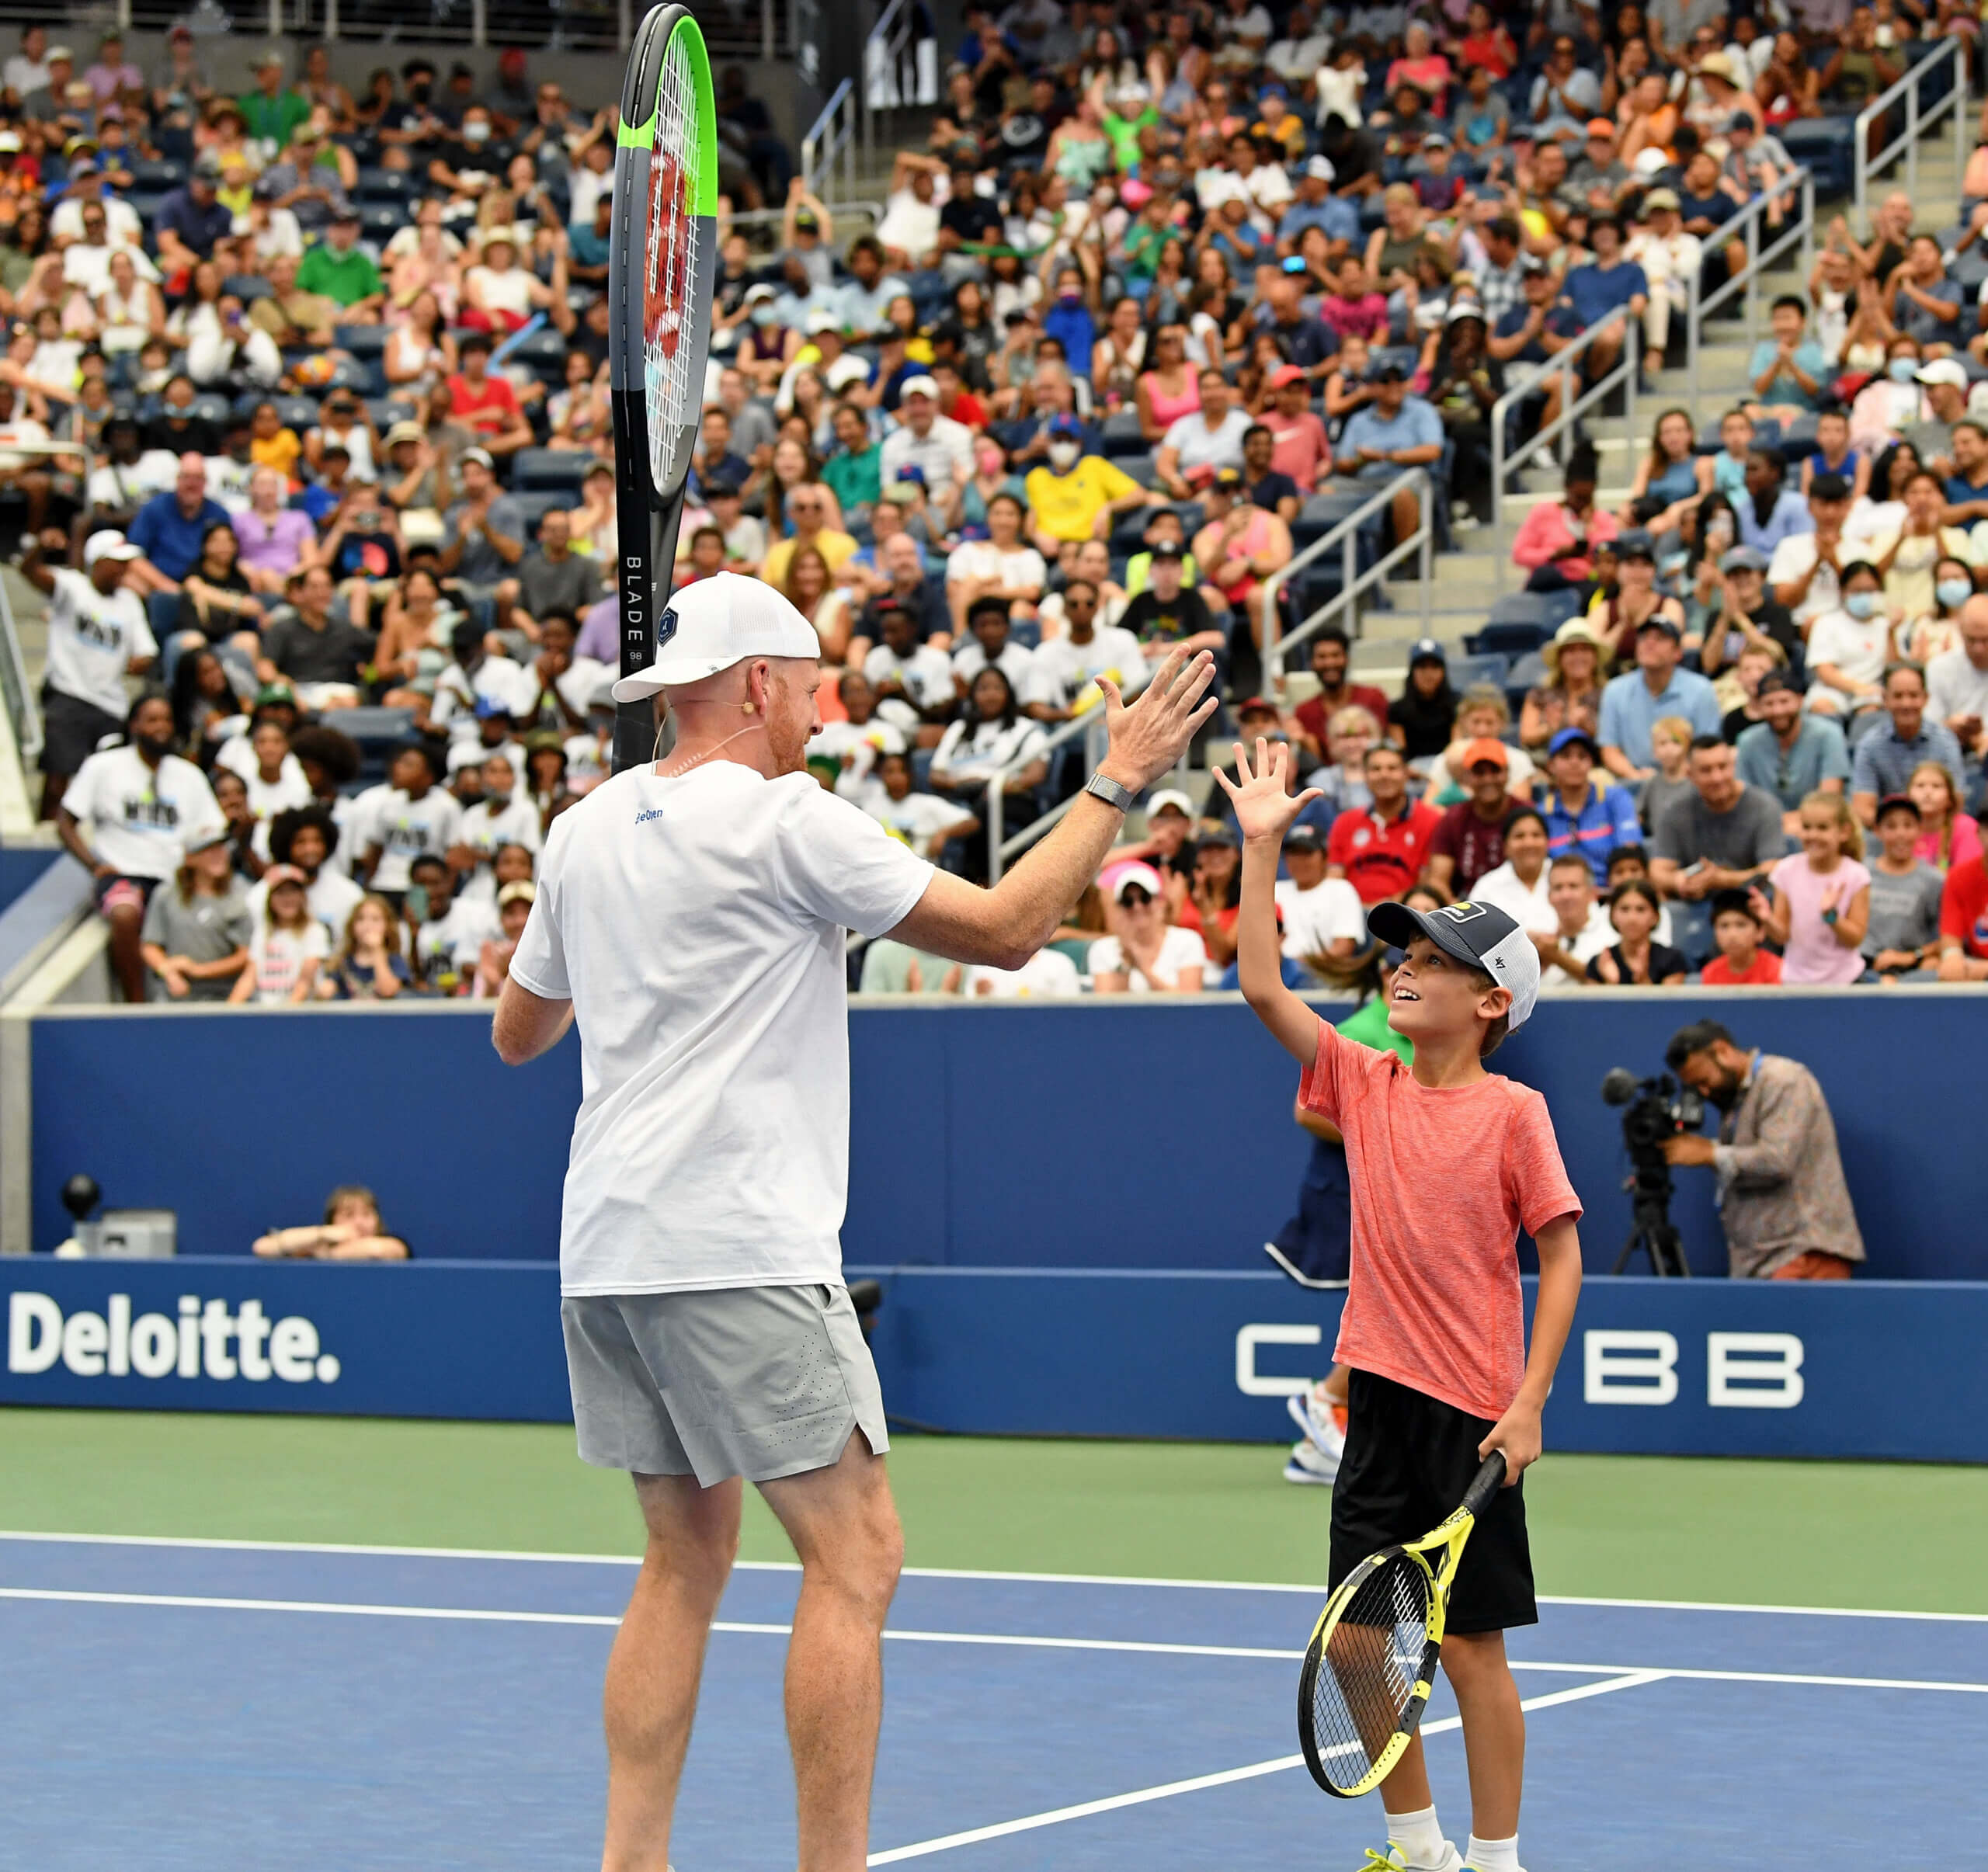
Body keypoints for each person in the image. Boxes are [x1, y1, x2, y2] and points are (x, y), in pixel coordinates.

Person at [491, 573, 1215, 1872]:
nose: (823, 712)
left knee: (680, 1558)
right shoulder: (787, 821)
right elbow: (1006, 930)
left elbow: (517, 1032)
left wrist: (628, 927)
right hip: (736, 1243)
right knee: (856, 1553)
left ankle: (629, 1862)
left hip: (605, 1246)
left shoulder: (580, 830)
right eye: (815, 685)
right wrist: (1118, 779)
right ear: (760, 683)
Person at [1220, 735, 1580, 1872]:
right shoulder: (1362, 1082)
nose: (1400, 968)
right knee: (1361, 1643)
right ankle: (1417, 1846)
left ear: (1492, 1000)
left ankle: (1497, 1856)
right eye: (1398, 954)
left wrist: (1528, 1406)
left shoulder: (1517, 1112)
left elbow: (1563, 1254)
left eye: (1429, 959)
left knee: (1471, 1651)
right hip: (1376, 1399)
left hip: (1472, 1414)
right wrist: (1263, 844)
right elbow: (1261, 982)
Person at [1270, 939, 1417, 1487]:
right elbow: (1308, 1110)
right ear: (1387, 975)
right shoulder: (1363, 1029)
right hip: (1348, 1192)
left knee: (1394, 1312)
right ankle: (1326, 1397)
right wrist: (1386, 1134)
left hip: (1390, 1194)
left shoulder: (1415, 1031)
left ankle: (1315, 1447)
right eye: (1409, 967)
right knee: (1391, 1312)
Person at [1662, 1020, 1867, 1280]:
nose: (1705, 1092)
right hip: (1761, 1261)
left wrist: (1709, 1154)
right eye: (1696, 1088)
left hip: (1801, 1254)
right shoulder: (1735, 1101)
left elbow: (1777, 1159)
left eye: (1704, 1080)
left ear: (1722, 1051)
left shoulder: (1784, 1080)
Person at [57, 691, 224, 1004]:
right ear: (134, 725)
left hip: (176, 880)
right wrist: (94, 866)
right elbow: (65, 821)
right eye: (152, 720)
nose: (160, 727)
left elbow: (210, 833)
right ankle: (137, 1004)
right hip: (124, 874)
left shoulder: (189, 775)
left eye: (166, 720)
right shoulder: (103, 766)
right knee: (124, 913)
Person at [26, 528, 157, 821]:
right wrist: (39, 546)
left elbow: (147, 649)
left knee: (109, 782)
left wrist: (140, 663)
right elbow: (29, 572)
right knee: (59, 774)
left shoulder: (129, 602)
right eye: (117, 561)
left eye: (127, 562)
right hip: (69, 692)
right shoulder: (73, 586)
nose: (124, 569)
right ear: (97, 561)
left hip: (111, 704)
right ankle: (47, 833)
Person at [1649, 735, 1786, 907]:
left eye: (1723, 767)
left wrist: (1723, 880)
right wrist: (1681, 881)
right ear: (1690, 775)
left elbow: (1773, 870)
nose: (1717, 778)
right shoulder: (1675, 812)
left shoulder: (1765, 807)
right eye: (1706, 770)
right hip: (1696, 907)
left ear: (1733, 766)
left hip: (1751, 908)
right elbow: (1657, 871)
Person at [1597, 616, 1721, 782]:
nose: (1649, 643)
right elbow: (1609, 750)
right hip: (1632, 780)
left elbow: (1707, 749)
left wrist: (1674, 778)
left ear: (1678, 653)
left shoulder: (1701, 690)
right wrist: (1636, 776)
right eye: (1643, 638)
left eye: (1660, 638)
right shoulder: (1615, 690)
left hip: (1687, 781)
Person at [138, 825, 251, 1002]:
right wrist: (168, 971)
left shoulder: (242, 893)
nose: (217, 855)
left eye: (220, 848)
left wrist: (198, 970)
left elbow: (247, 955)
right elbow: (150, 946)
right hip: (174, 994)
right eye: (207, 850)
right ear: (189, 859)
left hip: (226, 995)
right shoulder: (166, 895)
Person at [1734, 668, 1852, 836]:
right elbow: (1744, 800)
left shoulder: (1828, 734)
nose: (1777, 710)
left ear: (1800, 700)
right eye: (1769, 703)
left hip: (1820, 828)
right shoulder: (1748, 741)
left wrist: (1791, 824)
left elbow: (1830, 798)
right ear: (1759, 706)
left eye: (1784, 701)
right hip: (1765, 830)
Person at [1848, 662, 1966, 828]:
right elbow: (1863, 809)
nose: (1906, 704)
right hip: (1886, 836)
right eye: (1898, 696)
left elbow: (1956, 804)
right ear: (1885, 699)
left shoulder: (1946, 742)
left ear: (1926, 698)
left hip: (1937, 834)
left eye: (1913, 695)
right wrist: (1901, 831)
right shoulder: (1870, 745)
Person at [1326, 742, 1442, 905]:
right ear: (1365, 776)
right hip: (1350, 914)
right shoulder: (1345, 821)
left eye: (1392, 768)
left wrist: (1383, 908)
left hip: (1405, 913)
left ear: (1406, 774)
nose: (1384, 775)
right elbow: (1334, 880)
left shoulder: (1431, 820)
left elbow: (1426, 885)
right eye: (1376, 769)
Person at [1423, 740, 1522, 897]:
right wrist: (1457, 912)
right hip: (1466, 905)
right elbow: (1438, 881)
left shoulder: (1525, 815)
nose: (1488, 779)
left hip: (1519, 900)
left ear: (1507, 773)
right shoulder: (1453, 819)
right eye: (1480, 772)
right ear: (1467, 777)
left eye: (1495, 771)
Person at [1862, 794, 1945, 977]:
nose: (1900, 834)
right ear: (1877, 831)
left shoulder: (1933, 880)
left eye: (1908, 825)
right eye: (1891, 826)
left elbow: (1948, 938)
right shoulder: (1860, 874)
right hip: (1863, 965)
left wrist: (1911, 956)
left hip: (1911, 969)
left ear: (1919, 829)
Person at [229, 863, 329, 1004]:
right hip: (265, 1012)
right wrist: (230, 1008)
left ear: (303, 896)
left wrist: (286, 1016)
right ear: (270, 899)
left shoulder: (314, 931)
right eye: (280, 892)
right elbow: (249, 977)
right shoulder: (263, 931)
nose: (287, 898)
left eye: (293, 891)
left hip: (301, 1015)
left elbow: (305, 982)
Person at [252, 1184, 410, 1259]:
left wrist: (323, 1255)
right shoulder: (317, 1242)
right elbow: (263, 1247)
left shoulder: (393, 1242)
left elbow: (378, 1250)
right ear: (332, 1220)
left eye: (367, 1214)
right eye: (349, 1215)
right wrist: (322, 1234)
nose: (360, 1222)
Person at [1587, 878, 1688, 985]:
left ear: (1655, 916)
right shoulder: (1599, 963)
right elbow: (1593, 1000)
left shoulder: (1672, 960)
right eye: (1624, 909)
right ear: (1612, 915)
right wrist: (1610, 982)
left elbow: (1670, 1001)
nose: (1632, 918)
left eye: (1641, 909)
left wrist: (1643, 981)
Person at [1699, 887, 1782, 986]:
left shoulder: (1778, 969)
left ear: (1760, 932)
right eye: (1724, 926)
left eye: (1741, 925)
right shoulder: (1710, 972)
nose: (1732, 935)